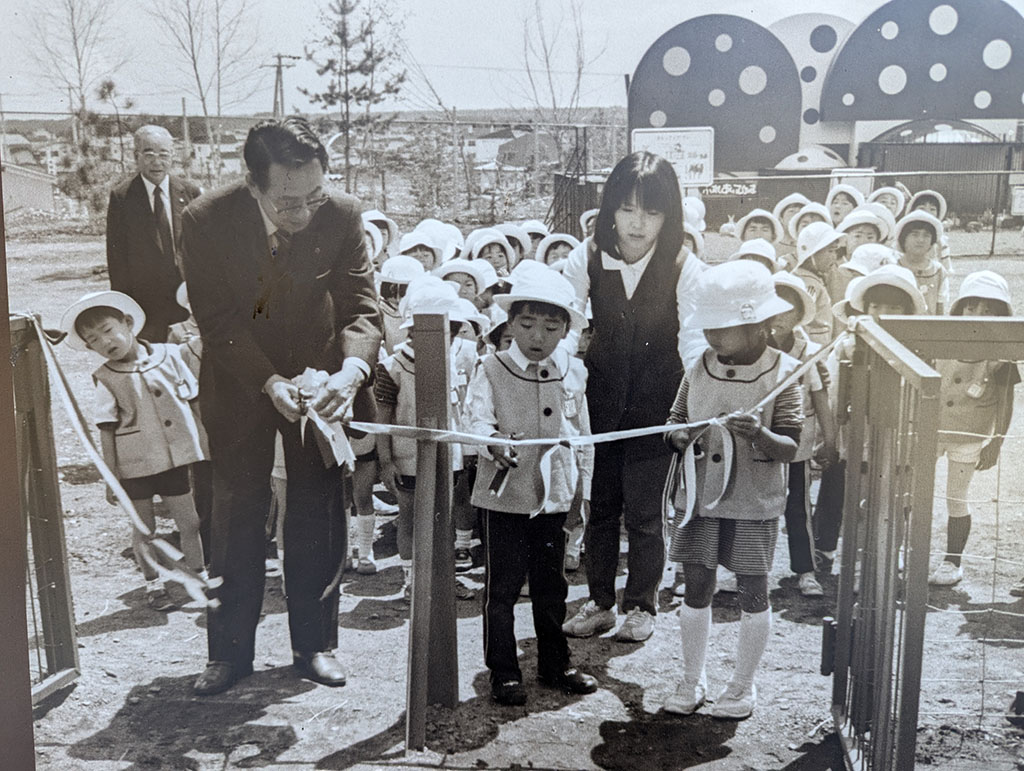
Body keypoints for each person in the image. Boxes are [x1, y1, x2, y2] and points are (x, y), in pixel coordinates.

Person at [180, 117, 381, 695]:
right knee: (236, 515)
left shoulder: (340, 212)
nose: (305, 212)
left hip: (321, 386)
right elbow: (215, 320)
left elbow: (362, 305)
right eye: (288, 202)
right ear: (253, 184)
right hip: (241, 383)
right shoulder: (205, 220)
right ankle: (229, 654)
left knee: (317, 514)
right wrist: (267, 381)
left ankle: (315, 645)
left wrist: (352, 369)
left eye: (315, 195)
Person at [561, 151, 706, 643]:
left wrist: (691, 405)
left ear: (670, 216)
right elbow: (568, 324)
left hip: (656, 408)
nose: (637, 223)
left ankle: (642, 604)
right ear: (609, 210)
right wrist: (561, 378)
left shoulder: (685, 265)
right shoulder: (585, 256)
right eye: (626, 209)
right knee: (599, 506)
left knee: (646, 512)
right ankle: (599, 600)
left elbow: (693, 341)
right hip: (599, 405)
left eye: (652, 211)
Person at [663, 261, 803, 719]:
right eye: (709, 328)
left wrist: (759, 434)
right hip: (700, 498)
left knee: (752, 589)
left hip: (753, 502)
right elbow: (674, 420)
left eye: (725, 329)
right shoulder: (698, 366)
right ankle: (691, 677)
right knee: (696, 585)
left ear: (761, 326)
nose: (713, 338)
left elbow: (792, 446)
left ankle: (742, 686)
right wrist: (678, 437)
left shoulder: (784, 372)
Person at [463, 266, 598, 706]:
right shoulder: (491, 367)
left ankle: (555, 663)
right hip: (505, 496)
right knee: (501, 588)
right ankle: (503, 670)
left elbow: (581, 434)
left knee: (551, 584)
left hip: (553, 496)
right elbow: (475, 421)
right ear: (510, 323)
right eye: (526, 324)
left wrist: (581, 490)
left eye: (550, 326)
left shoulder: (571, 372)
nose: (537, 335)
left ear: (564, 330)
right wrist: (493, 443)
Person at [61, 290, 208, 611]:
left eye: (109, 330)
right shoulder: (106, 378)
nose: (105, 341)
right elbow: (106, 430)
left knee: (190, 521)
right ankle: (154, 585)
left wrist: (204, 444)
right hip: (134, 467)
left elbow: (193, 400)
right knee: (145, 529)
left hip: (175, 460)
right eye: (94, 339)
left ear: (128, 323)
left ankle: (199, 576)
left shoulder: (170, 355)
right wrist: (111, 476)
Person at [930, 271, 1019, 586]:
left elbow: (1006, 401)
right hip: (930, 429)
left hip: (970, 434)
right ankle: (901, 549)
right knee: (911, 494)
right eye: (971, 307)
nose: (978, 315)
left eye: (988, 310)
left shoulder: (1001, 355)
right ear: (959, 309)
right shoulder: (939, 341)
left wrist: (996, 442)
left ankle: (952, 562)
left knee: (956, 496)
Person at [770, 272, 837, 597]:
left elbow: (821, 396)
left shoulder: (808, 351)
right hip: (758, 442)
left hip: (795, 444)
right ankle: (745, 569)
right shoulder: (750, 347)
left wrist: (830, 439)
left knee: (797, 506)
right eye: (772, 306)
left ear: (799, 314)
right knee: (755, 508)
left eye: (787, 308)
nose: (778, 315)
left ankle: (806, 570)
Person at [106, 125, 202, 343]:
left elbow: (203, 249)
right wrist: (124, 309)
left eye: (163, 154)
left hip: (187, 299)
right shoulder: (122, 197)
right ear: (135, 156)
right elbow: (117, 258)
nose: (156, 161)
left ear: (172, 156)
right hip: (146, 304)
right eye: (148, 154)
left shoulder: (190, 193)